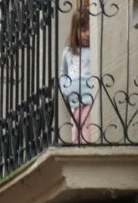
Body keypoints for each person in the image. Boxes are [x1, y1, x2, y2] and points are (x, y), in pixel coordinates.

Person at [60, 5, 93, 144]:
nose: (88, 34)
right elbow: (63, 73)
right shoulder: (68, 52)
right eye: (84, 30)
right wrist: (65, 88)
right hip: (74, 100)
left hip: (88, 98)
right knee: (76, 131)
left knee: (87, 129)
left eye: (90, 29)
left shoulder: (92, 51)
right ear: (76, 31)